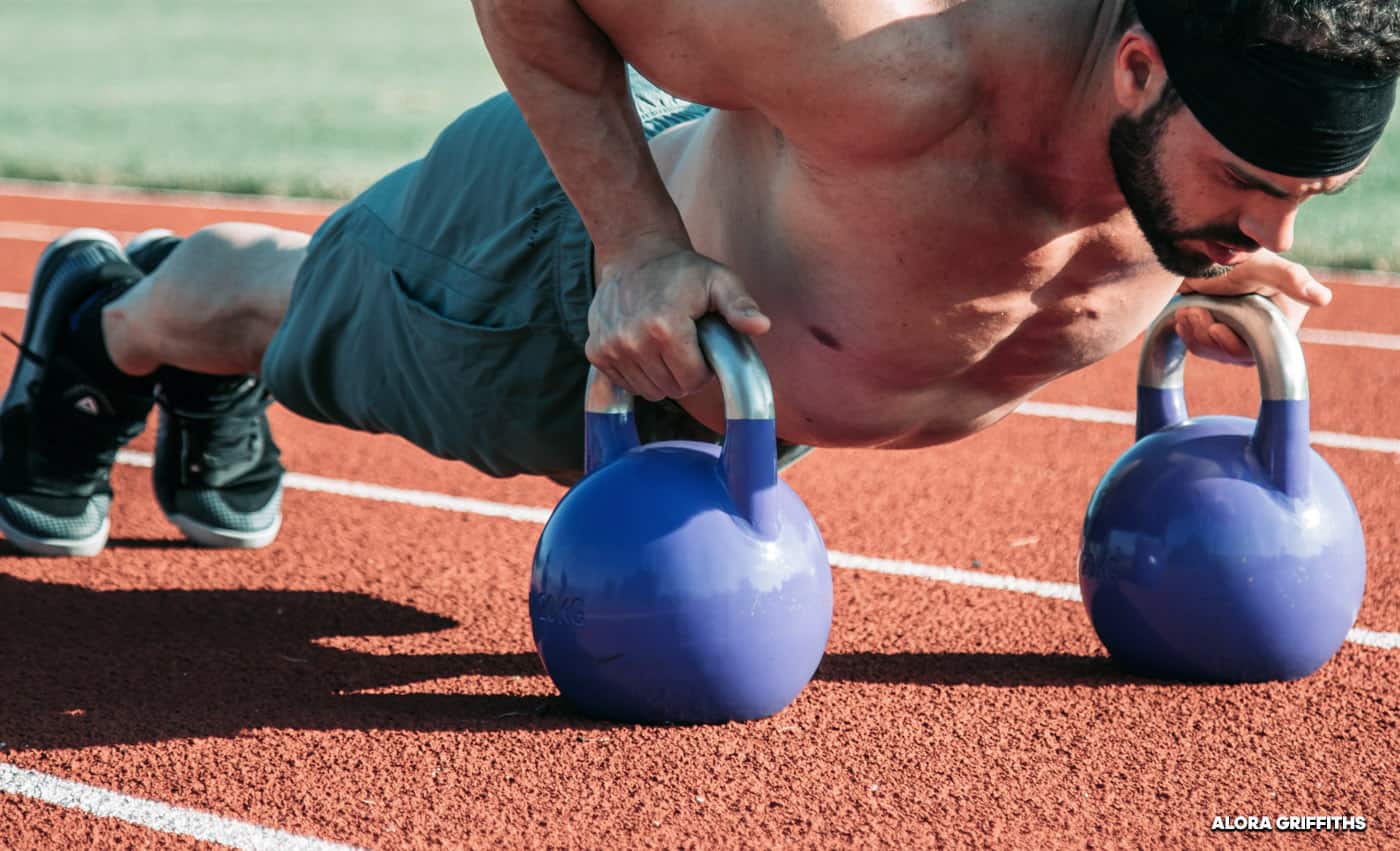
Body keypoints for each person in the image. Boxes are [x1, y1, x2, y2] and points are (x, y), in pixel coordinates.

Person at [2, 0, 1397, 557]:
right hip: (553, 290)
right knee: (289, 313)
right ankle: (114, 314)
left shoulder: (1189, 154)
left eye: (1306, 202)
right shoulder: (885, 50)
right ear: (1137, 65)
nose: (1274, 228)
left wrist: (1196, 254)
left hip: (739, 381)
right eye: (1248, 187)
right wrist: (632, 245)